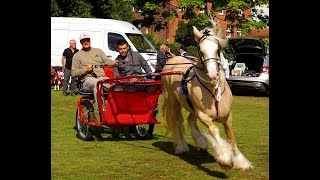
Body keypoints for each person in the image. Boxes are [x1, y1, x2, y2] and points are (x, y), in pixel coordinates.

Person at [71, 32, 119, 108]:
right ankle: (101, 110)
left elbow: (106, 61)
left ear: (90, 40)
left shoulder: (98, 51)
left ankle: (118, 109)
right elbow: (73, 73)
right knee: (98, 84)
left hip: (102, 78)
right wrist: (85, 70)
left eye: (87, 40)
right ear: (80, 42)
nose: (85, 42)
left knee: (116, 86)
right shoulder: (77, 55)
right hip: (87, 80)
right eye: (83, 40)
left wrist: (114, 63)